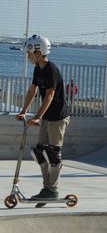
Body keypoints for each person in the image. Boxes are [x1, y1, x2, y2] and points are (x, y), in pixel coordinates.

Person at [16, 35, 70, 201]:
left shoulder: (51, 69)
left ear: (39, 52)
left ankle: (52, 189)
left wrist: (38, 116)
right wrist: (24, 111)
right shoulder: (38, 69)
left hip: (58, 118)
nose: (28, 56)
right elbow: (33, 91)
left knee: (53, 153)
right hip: (46, 117)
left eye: (30, 53)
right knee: (39, 151)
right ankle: (47, 189)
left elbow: (50, 95)